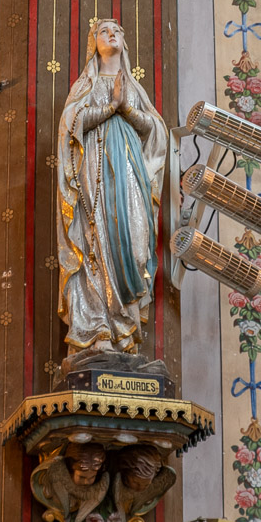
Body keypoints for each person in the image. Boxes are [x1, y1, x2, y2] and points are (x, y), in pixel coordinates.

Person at [57, 19, 167, 368]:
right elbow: (70, 124)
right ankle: (99, 330)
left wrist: (126, 108)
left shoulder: (134, 88)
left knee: (135, 245)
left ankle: (126, 331)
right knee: (96, 242)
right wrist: (108, 107)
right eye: (104, 31)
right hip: (95, 176)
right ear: (95, 42)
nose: (112, 34)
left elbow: (155, 131)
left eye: (117, 31)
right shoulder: (86, 84)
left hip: (131, 174)